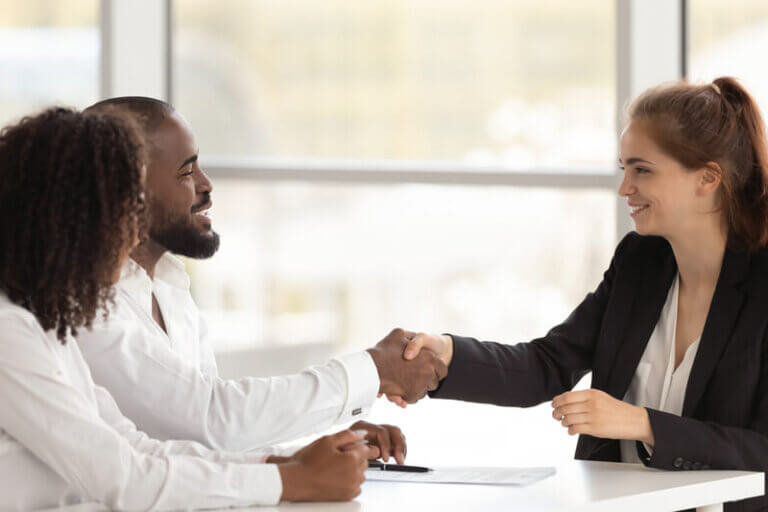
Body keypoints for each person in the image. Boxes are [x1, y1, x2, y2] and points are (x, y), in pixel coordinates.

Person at [400, 77, 768, 511]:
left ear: (707, 178)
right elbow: (549, 364)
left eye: (642, 169)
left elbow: (760, 449)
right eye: (624, 169)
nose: (624, 188)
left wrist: (643, 424)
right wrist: (445, 355)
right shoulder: (640, 262)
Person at [0, 107, 378, 509]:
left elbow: (135, 446)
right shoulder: (10, 332)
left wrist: (280, 463)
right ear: (74, 221)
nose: (132, 232)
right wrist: (292, 480)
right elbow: (127, 480)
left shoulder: (42, 323)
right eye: (126, 212)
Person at [76, 97, 446, 460]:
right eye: (187, 172)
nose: (206, 185)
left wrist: (312, 453)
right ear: (127, 194)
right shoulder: (83, 306)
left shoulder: (168, 285)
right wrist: (375, 369)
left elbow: (211, 442)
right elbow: (210, 418)